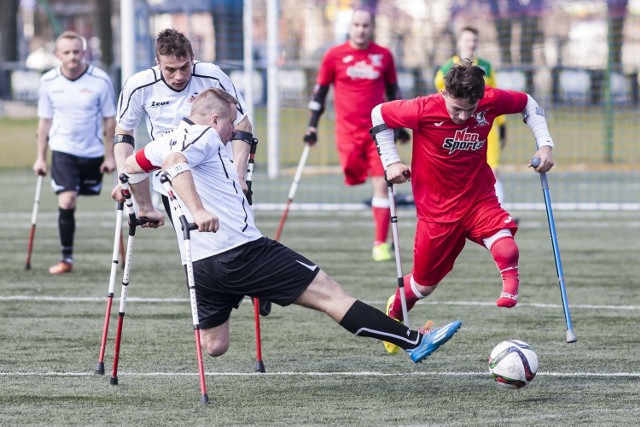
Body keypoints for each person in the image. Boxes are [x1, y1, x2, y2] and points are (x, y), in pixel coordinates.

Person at [122, 88, 462, 363]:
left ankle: (255, 288)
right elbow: (175, 162)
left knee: (215, 345)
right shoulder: (205, 137)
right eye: (231, 126)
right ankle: (415, 341)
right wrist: (197, 210)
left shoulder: (161, 140)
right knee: (331, 295)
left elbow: (131, 167)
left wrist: (142, 204)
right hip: (242, 251)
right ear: (214, 120)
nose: (232, 133)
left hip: (199, 264)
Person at [371, 60, 555, 354]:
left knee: (506, 244)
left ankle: (510, 286)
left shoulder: (491, 101)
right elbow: (379, 112)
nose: (462, 116)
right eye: (456, 109)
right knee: (423, 286)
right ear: (444, 93)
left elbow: (528, 104)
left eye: (470, 110)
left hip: (478, 197)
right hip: (437, 211)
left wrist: (545, 145)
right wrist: (391, 161)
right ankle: (395, 312)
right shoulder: (423, 108)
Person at [110, 28, 269, 316]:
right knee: (201, 247)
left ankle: (260, 281)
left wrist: (237, 175)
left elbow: (242, 126)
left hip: (219, 172)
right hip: (173, 178)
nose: (179, 76)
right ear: (158, 63)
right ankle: (225, 303)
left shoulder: (212, 75)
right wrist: (123, 177)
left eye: (185, 67)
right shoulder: (139, 85)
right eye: (170, 69)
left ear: (193, 58)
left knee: (239, 237)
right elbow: (124, 135)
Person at [303, 9, 409, 262]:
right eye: (357, 25)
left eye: (365, 25)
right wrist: (312, 126)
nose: (361, 29)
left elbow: (394, 91)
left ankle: (380, 243)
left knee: (382, 184)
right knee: (353, 173)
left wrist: (401, 125)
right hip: (347, 133)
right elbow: (319, 93)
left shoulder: (383, 56)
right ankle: (381, 234)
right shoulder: (334, 55)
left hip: (379, 132)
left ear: (371, 28)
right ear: (350, 27)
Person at [33, 31, 116, 275]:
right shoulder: (48, 81)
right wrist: (40, 157)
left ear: (84, 52)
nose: (72, 57)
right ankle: (66, 258)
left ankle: (115, 255)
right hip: (62, 150)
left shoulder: (100, 80)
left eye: (76, 52)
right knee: (67, 199)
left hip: (92, 152)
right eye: (66, 52)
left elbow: (110, 120)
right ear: (57, 55)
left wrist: (110, 155)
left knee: (102, 199)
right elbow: (44, 122)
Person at [434, 26, 509, 206]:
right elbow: (439, 98)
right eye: (467, 40)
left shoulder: (486, 67)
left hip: (486, 126)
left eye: (474, 40)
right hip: (458, 128)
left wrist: (502, 124)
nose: (471, 43)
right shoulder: (446, 68)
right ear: (459, 42)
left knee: (492, 169)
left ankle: (497, 211)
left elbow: (495, 96)